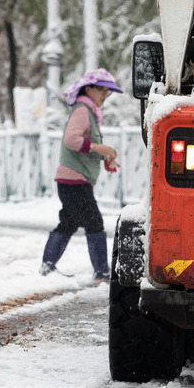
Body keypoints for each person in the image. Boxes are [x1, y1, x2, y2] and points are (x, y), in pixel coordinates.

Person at [40, 69, 120, 281]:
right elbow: (71, 140)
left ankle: (47, 267)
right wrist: (96, 148)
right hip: (73, 180)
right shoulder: (83, 110)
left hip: (74, 179)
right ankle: (102, 272)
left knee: (68, 222)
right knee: (94, 222)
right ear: (88, 89)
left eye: (108, 91)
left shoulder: (90, 112)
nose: (105, 95)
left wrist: (105, 156)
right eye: (101, 90)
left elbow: (84, 145)